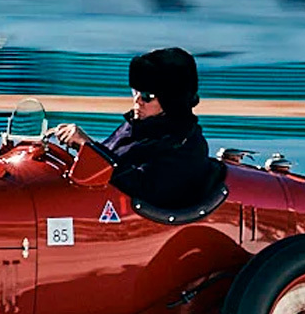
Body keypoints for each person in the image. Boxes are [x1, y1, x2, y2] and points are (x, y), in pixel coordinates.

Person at [49, 46, 220, 210]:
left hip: (131, 220)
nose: (137, 101)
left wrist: (88, 146)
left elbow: (143, 188)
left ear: (172, 100)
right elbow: (109, 163)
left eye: (147, 96)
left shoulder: (185, 146)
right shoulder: (136, 126)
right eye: (135, 92)